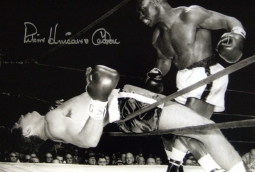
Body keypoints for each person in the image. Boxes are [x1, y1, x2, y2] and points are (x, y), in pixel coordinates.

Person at [12, 65, 247, 171]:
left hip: (127, 106)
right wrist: (99, 98)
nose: (20, 116)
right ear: (27, 132)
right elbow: (89, 140)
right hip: (127, 107)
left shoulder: (53, 122)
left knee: (190, 131)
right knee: (207, 128)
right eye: (18, 122)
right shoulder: (52, 123)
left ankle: (211, 169)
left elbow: (85, 119)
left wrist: (90, 88)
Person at [136, 0, 246, 172]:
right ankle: (209, 168)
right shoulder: (157, 37)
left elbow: (229, 21)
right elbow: (164, 61)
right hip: (183, 81)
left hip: (206, 74)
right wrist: (157, 73)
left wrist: (238, 34)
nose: (141, 16)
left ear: (156, 2)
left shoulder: (191, 15)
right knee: (167, 130)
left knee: (186, 127)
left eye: (143, 9)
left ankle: (175, 165)